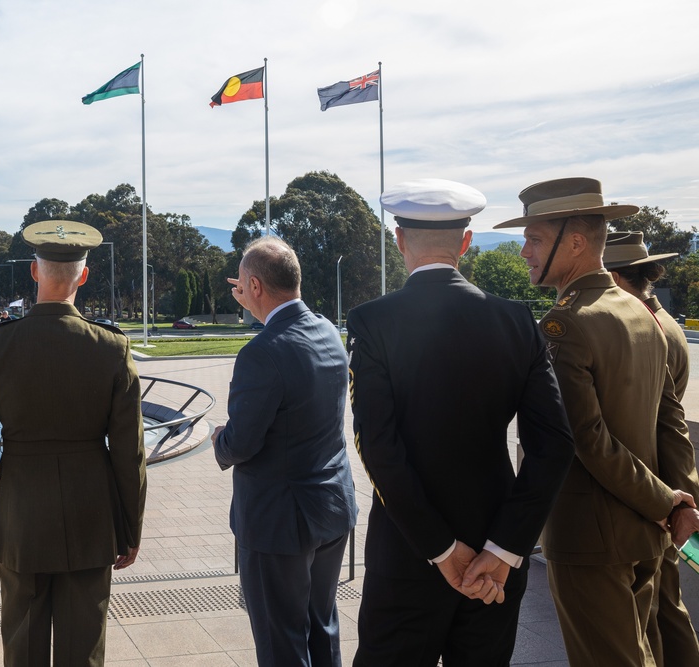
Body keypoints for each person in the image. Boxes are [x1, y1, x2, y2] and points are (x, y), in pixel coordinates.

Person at [346, 179, 575, 666]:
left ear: (400, 239)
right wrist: (503, 549)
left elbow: (379, 450)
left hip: (407, 557)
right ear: (466, 243)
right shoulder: (517, 321)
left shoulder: (372, 322)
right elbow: (554, 447)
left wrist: (442, 549)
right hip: (494, 562)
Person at [494, 177, 696, 667]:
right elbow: (671, 419)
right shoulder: (640, 311)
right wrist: (679, 497)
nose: (523, 251)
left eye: (534, 238)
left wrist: (666, 501)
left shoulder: (567, 324)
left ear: (577, 242)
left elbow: (587, 440)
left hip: (591, 539)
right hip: (646, 532)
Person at [0, 221, 146, 667]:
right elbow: (129, 452)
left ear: (34, 271)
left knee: (22, 649)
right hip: (92, 516)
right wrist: (131, 528)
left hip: (21, 517)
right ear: (83, 276)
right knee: (84, 652)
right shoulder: (111, 348)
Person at [211, 236, 358, 666]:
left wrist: (220, 437)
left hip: (280, 523)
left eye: (242, 284)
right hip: (330, 509)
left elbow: (241, 441)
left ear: (255, 286)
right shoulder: (329, 331)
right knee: (321, 628)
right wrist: (252, 292)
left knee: (282, 643)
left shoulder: (262, 353)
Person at [603, 231, 699, 667]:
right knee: (666, 608)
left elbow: (661, 423)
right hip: (664, 494)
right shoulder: (664, 322)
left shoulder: (646, 326)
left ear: (618, 279)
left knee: (653, 618)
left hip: (650, 496)